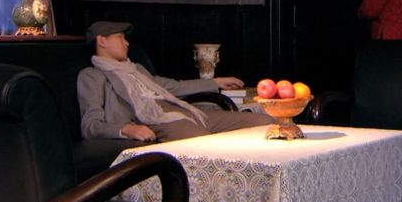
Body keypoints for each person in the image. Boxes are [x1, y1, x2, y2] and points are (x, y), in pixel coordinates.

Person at [77, 21, 274, 142]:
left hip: (185, 111)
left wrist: (215, 82)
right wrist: (128, 129)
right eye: (120, 37)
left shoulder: (136, 69)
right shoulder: (92, 76)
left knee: (265, 123)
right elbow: (90, 125)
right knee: (204, 142)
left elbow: (175, 86)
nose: (126, 43)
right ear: (102, 41)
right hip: (153, 120)